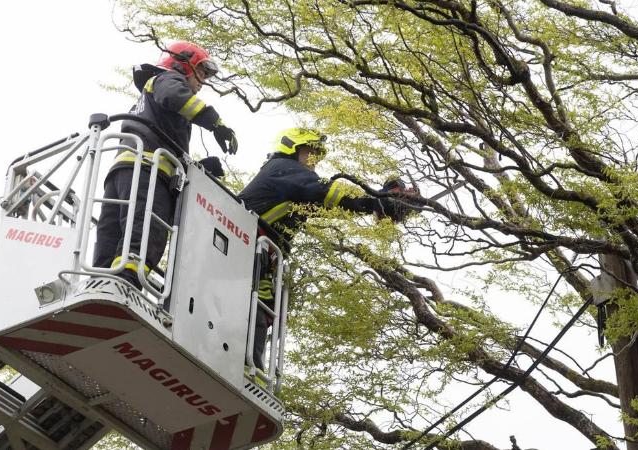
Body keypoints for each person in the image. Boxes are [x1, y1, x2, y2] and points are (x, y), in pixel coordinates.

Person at [239, 128, 412, 374]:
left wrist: (376, 204)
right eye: (311, 152)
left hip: (260, 254)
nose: (314, 160)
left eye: (318, 155)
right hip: (244, 242)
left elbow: (332, 205)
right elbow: (326, 192)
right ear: (292, 147)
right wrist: (376, 201)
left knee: (263, 307)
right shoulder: (282, 169)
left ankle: (248, 365)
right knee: (252, 303)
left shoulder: (294, 184)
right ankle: (245, 365)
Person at [93, 41, 237, 288]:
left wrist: (199, 168)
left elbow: (161, 137)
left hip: (124, 172)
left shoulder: (148, 98)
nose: (203, 82)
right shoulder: (167, 80)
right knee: (147, 232)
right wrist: (216, 123)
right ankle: (125, 283)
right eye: (201, 72)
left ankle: (100, 284)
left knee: (112, 235)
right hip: (148, 173)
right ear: (182, 64)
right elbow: (175, 96)